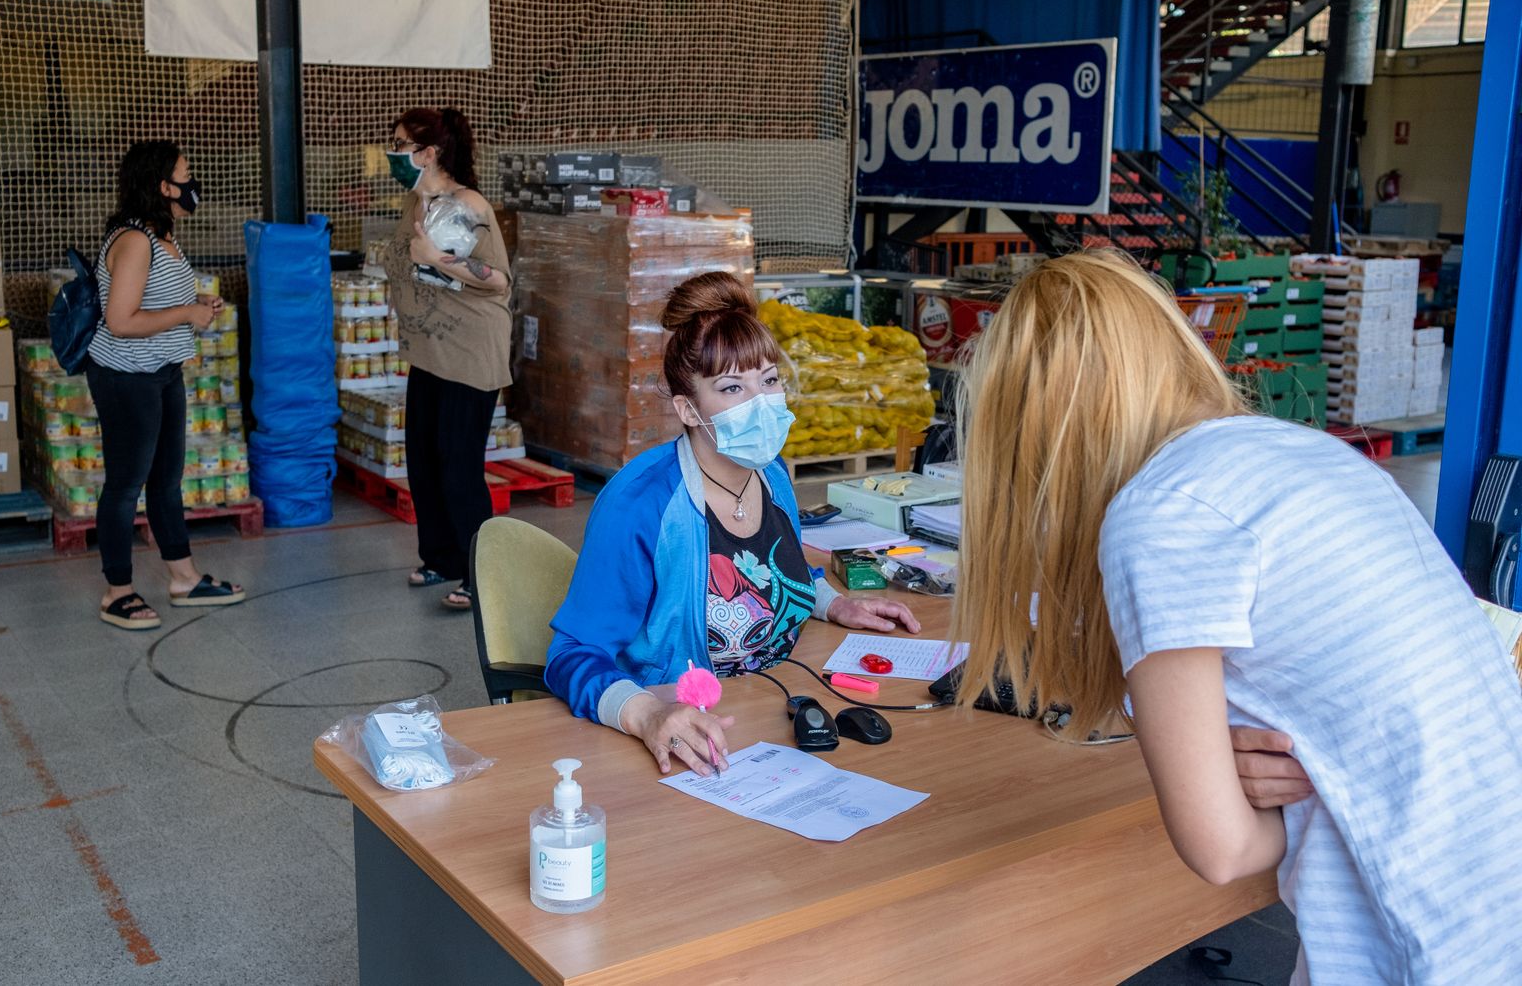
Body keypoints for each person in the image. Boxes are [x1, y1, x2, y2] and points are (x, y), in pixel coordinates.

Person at [951, 249, 1522, 984]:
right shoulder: (1309, 455)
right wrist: (1230, 759)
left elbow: (1222, 850)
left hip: (1433, 941)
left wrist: (1274, 785)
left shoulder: (1159, 515)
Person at [545, 273, 921, 777]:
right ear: (688, 408)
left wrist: (835, 604)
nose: (761, 403)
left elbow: (775, 569)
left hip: (775, 705)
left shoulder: (771, 473)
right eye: (731, 387)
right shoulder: (641, 504)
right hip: (687, 733)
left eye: (768, 381)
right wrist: (648, 715)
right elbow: (571, 654)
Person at [89, 141, 245, 630]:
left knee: (165, 482)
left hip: (162, 371)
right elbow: (119, 321)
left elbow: (153, 298)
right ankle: (117, 592)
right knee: (124, 485)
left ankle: (183, 576)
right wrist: (186, 313)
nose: (192, 181)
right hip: (126, 377)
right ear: (162, 185)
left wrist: (194, 300)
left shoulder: (163, 235)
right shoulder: (135, 240)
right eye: (185, 173)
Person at [381, 107, 511, 612]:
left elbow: (498, 279)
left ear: (428, 152)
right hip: (429, 353)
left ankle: (481, 575)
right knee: (426, 463)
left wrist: (436, 261)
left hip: (468, 352)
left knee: (459, 468)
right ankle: (441, 556)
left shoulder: (467, 204)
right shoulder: (416, 203)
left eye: (400, 143)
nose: (393, 153)